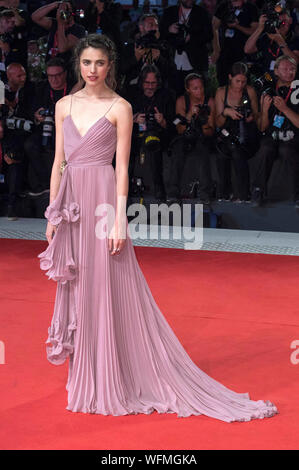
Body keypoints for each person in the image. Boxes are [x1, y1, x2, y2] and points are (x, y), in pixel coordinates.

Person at [37, 33, 278, 422]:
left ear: (109, 65)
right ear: (77, 65)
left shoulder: (121, 107)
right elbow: (58, 164)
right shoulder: (63, 105)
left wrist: (119, 219)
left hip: (101, 203)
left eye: (99, 63)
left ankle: (113, 374)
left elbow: (123, 169)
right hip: (72, 208)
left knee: (106, 287)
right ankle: (87, 373)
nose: (93, 70)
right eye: (86, 63)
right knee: (79, 285)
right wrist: (53, 214)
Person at [251, 55, 299, 208]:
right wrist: (264, 111)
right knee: (265, 148)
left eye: (293, 69)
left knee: (287, 150)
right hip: (273, 134)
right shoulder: (268, 91)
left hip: (293, 134)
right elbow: (262, 128)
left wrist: (284, 109)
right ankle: (258, 191)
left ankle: (297, 195)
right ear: (276, 71)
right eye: (285, 69)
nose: (290, 72)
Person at [126, 64, 176, 201]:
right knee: (126, 149)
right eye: (147, 83)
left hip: (158, 135)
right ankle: (125, 191)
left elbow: (173, 126)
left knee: (155, 147)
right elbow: (119, 119)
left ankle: (159, 191)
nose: (150, 87)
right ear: (141, 82)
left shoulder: (166, 96)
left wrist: (163, 121)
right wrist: (134, 119)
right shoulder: (132, 94)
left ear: (158, 83)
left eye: (153, 83)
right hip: (135, 134)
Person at [166, 72, 214, 204]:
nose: (199, 91)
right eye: (195, 88)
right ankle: (173, 193)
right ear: (188, 89)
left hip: (202, 136)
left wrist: (203, 121)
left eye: (201, 87)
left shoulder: (209, 101)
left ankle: (205, 194)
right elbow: (179, 128)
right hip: (186, 135)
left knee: (203, 152)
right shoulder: (182, 101)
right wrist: (190, 114)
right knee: (178, 151)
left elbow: (211, 130)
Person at [215, 61, 259, 202]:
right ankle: (224, 192)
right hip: (228, 133)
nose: (240, 85)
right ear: (230, 77)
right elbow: (218, 123)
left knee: (237, 151)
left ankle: (243, 194)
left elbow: (257, 115)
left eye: (243, 81)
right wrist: (226, 112)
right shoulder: (221, 92)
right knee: (222, 153)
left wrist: (250, 116)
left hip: (246, 134)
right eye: (237, 81)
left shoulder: (250, 91)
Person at [212, 0, 259, 86]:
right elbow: (214, 27)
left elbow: (254, 31)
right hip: (224, 54)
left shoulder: (250, 8)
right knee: (223, 83)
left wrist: (237, 26)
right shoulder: (223, 6)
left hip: (243, 54)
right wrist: (216, 49)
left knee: (242, 83)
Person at [244, 9, 299, 74]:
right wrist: (260, 28)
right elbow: (247, 49)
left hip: (286, 77)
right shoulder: (267, 37)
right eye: (278, 22)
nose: (281, 25)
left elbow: (295, 62)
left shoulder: (296, 39)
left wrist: (280, 42)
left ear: (290, 21)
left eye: (284, 22)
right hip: (267, 77)